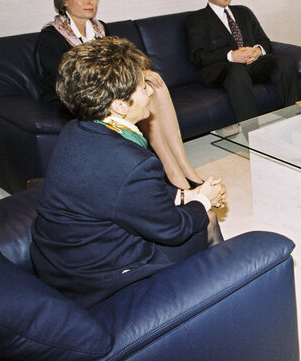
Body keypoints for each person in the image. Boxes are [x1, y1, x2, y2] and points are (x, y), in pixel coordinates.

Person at [31, 37, 227, 308]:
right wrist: (203, 199)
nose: (150, 92)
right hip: (98, 276)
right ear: (119, 106)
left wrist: (186, 195)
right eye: (142, 86)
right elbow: (172, 229)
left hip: (61, 259)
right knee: (207, 220)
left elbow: (127, 197)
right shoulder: (130, 162)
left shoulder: (78, 129)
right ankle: (228, 289)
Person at [36, 0, 209, 191]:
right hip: (75, 99)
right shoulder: (51, 37)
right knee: (140, 92)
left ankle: (183, 165)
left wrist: (140, 73)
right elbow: (75, 79)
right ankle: (173, 171)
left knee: (154, 85)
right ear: (63, 0)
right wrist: (133, 77)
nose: (90, 2)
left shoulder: (100, 29)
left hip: (107, 91)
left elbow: (122, 61)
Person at [185, 0, 298, 122]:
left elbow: (265, 41)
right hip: (222, 69)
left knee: (285, 64)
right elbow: (198, 56)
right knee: (237, 71)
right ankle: (251, 132)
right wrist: (231, 56)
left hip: (252, 64)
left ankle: (292, 120)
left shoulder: (243, 12)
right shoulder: (197, 19)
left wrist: (258, 50)